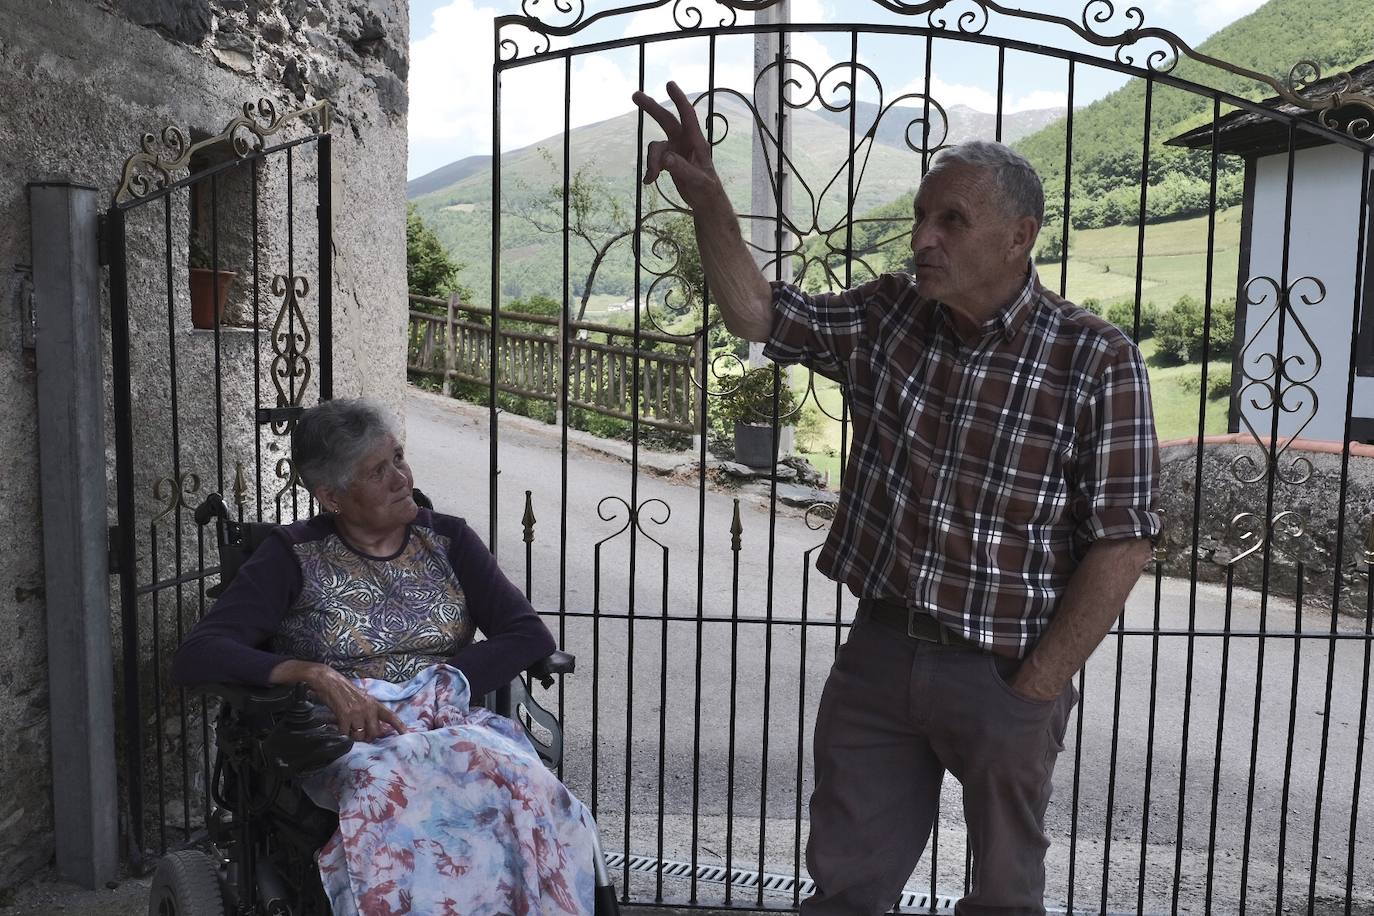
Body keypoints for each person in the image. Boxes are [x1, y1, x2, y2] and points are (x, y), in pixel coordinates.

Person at [633, 83, 1160, 914]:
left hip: (1006, 667)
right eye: (921, 216)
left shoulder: (1095, 359)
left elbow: (1123, 541)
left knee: (1003, 898)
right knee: (845, 886)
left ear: (1019, 237)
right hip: (880, 654)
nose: (922, 240)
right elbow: (757, 314)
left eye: (951, 220)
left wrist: (1038, 686)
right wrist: (709, 201)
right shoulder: (889, 315)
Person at [172, 398, 597, 916]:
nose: (401, 477)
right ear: (331, 495)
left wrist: (436, 684)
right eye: (378, 471)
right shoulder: (290, 556)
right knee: (389, 791)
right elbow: (198, 653)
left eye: (398, 457)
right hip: (344, 741)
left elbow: (528, 635)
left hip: (448, 723)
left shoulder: (449, 540)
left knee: (525, 785)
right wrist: (310, 673)